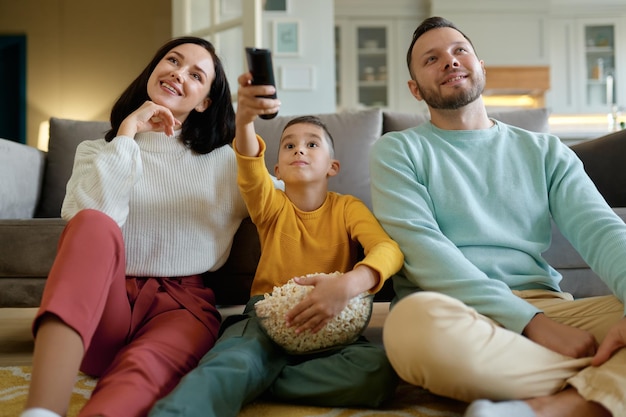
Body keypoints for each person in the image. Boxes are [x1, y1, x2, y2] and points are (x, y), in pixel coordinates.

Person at [369, 16, 626, 417]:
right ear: (415, 89)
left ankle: (551, 406)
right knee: (409, 326)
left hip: (553, 307)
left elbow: (602, 229)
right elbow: (423, 250)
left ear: (480, 65)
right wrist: (533, 325)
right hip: (456, 312)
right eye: (432, 59)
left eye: (459, 51)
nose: (450, 62)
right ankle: (601, 378)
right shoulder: (397, 151)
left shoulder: (546, 151)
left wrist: (545, 318)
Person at [149, 71, 404, 417]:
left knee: (379, 373)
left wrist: (348, 284)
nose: (300, 148)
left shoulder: (348, 208)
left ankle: (257, 378)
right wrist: (245, 119)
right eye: (289, 145)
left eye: (312, 143)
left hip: (330, 318)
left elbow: (388, 250)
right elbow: (249, 166)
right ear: (278, 169)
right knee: (233, 362)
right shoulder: (271, 205)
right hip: (266, 319)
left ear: (333, 166)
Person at [20, 36, 249, 417]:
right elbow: (92, 221)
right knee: (91, 222)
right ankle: (41, 410)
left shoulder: (224, 162)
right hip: (103, 304)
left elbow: (281, 206)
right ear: (153, 69)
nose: (178, 73)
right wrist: (127, 134)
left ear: (205, 101)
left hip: (181, 307)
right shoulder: (97, 151)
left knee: (140, 376)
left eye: (195, 74)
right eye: (172, 61)